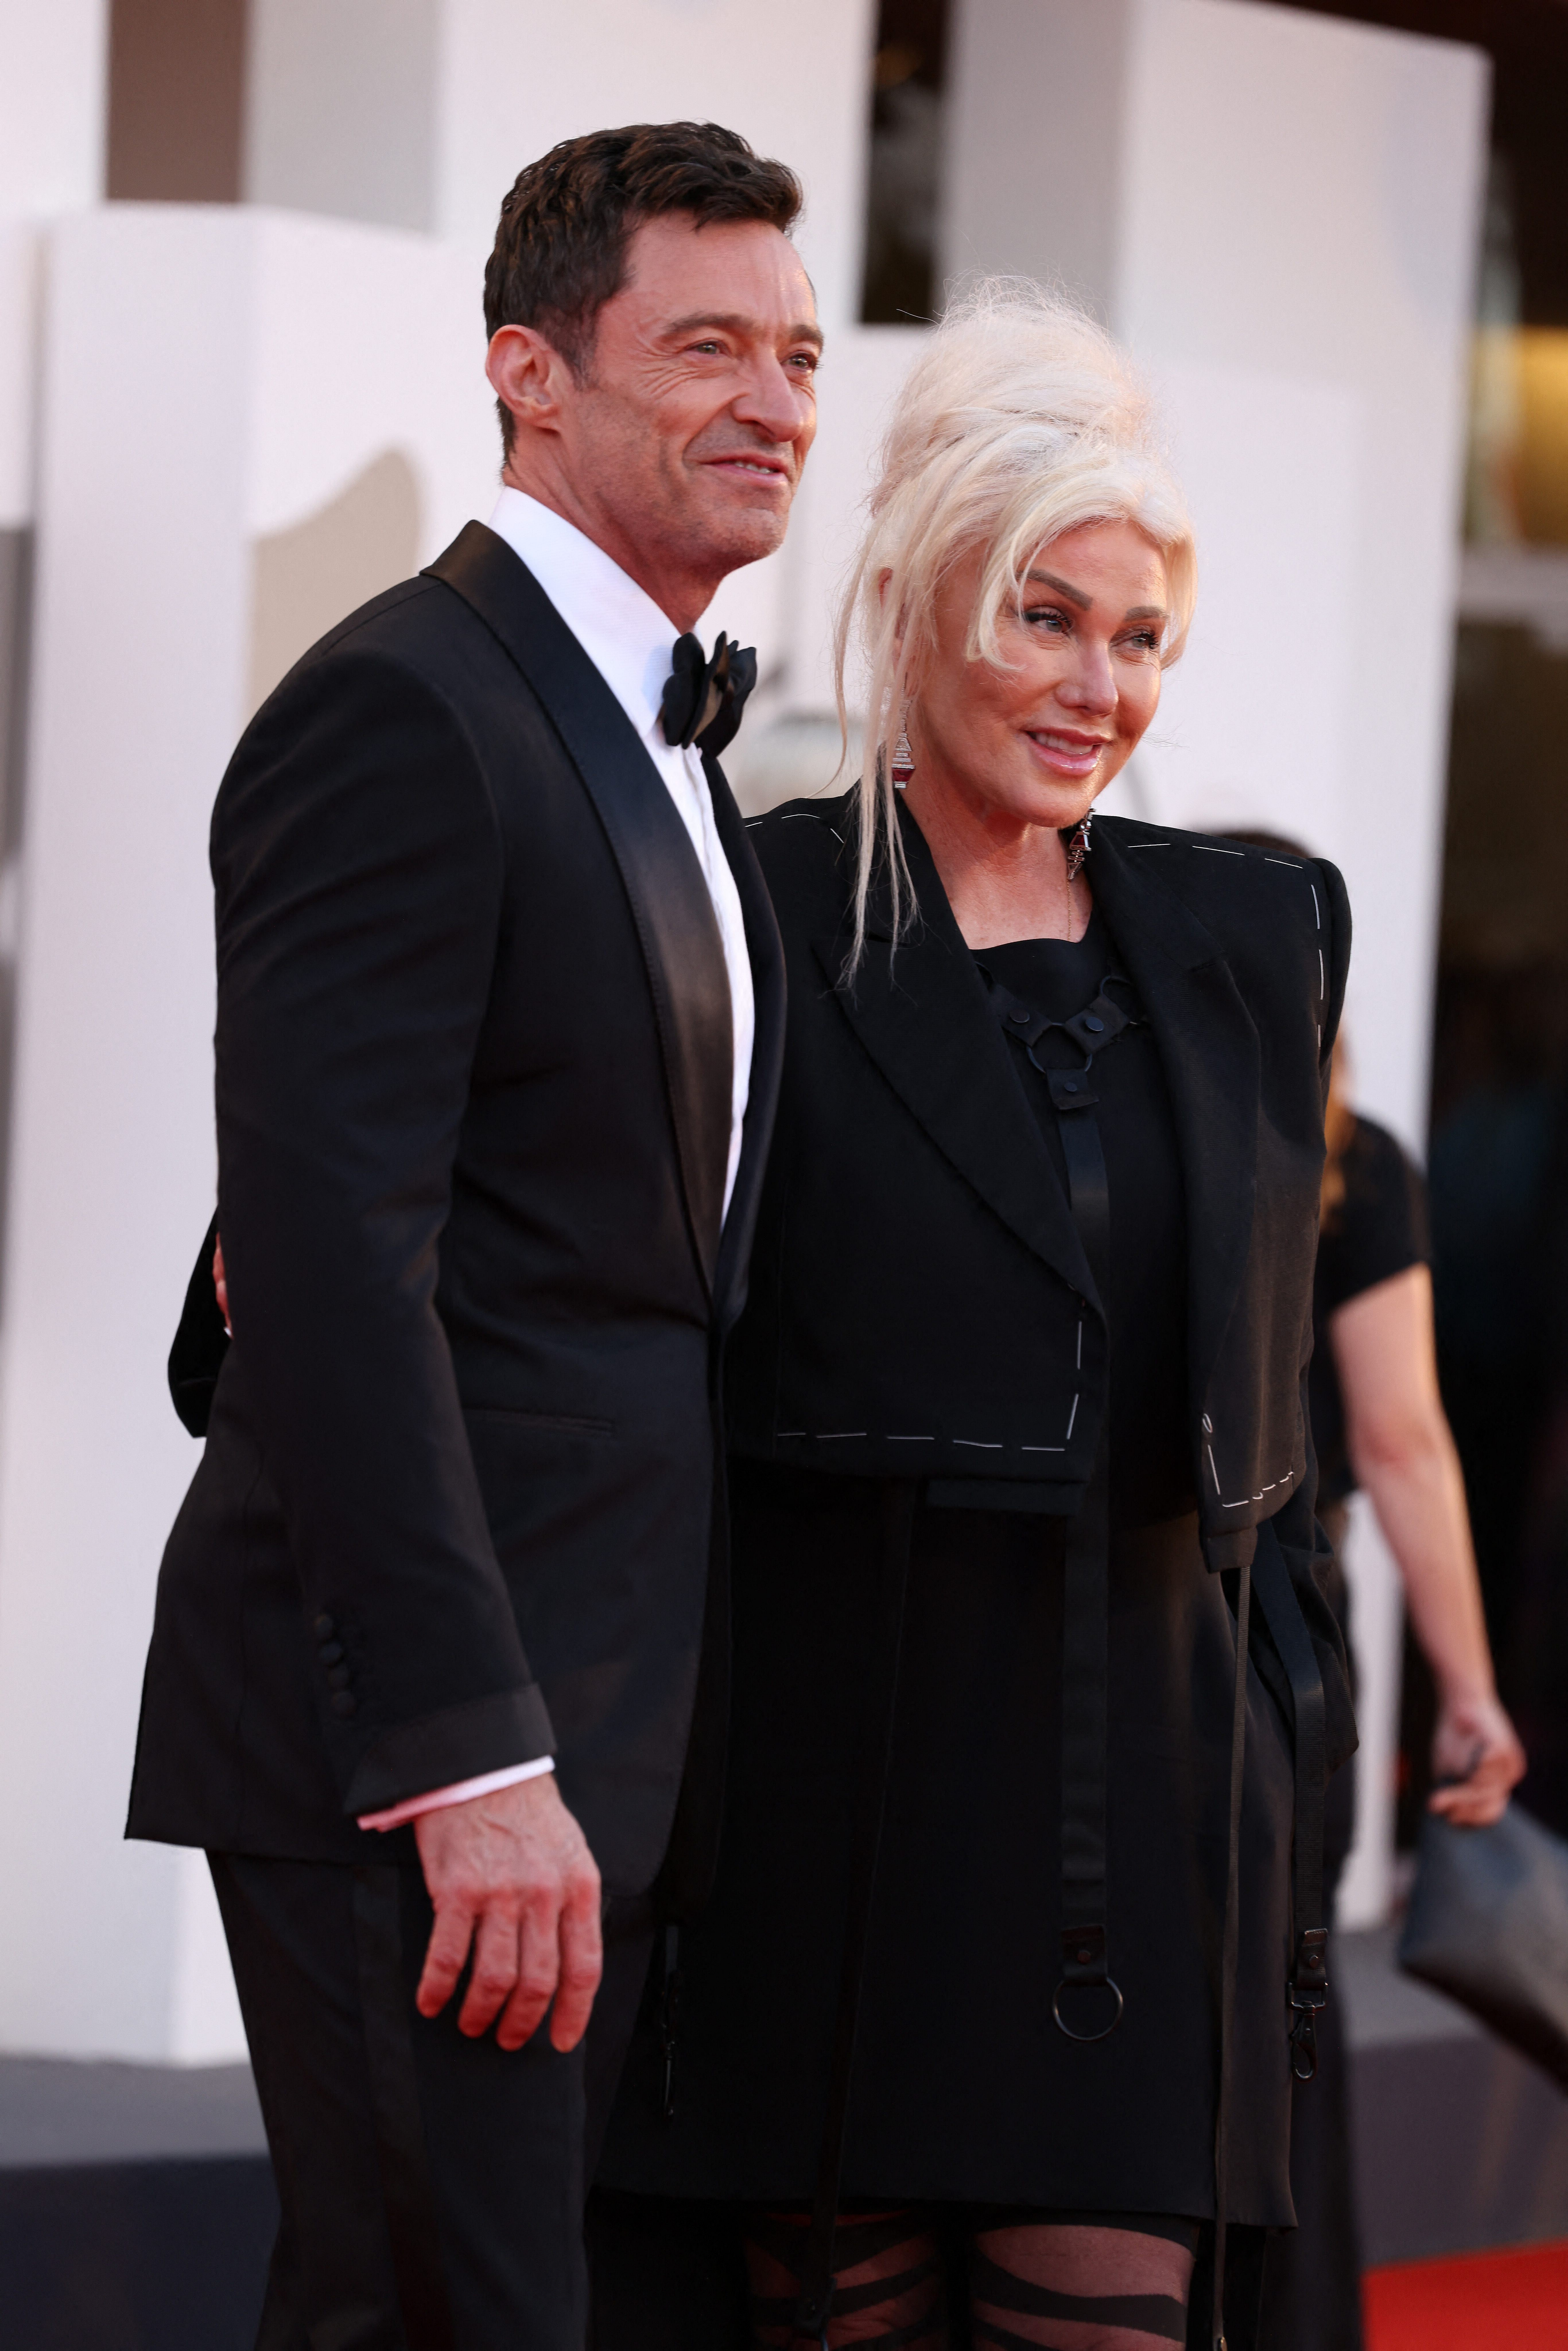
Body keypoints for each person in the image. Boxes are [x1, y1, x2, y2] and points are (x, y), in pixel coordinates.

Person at [589, 286, 1356, 2351]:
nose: (1098, 684)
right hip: (833, 1804)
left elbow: (1272, 1420)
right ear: (922, 597)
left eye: (1138, 636)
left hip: (1138, 1804)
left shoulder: (1242, 940)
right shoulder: (752, 909)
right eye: (1046, 616)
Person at [126, 121, 818, 2350]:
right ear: (530, 374)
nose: (775, 403)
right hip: (447, 1739)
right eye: (702, 345)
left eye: (800, 356)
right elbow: (330, 1252)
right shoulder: (409, 703)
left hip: (604, 1707)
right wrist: (465, 1754)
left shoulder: (659, 741)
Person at [1241, 986, 1526, 2351]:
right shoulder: (1346, 1162)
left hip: (1093, 1631)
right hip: (1276, 1637)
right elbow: (1402, 1438)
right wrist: (1466, 1693)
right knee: (1284, 2010)